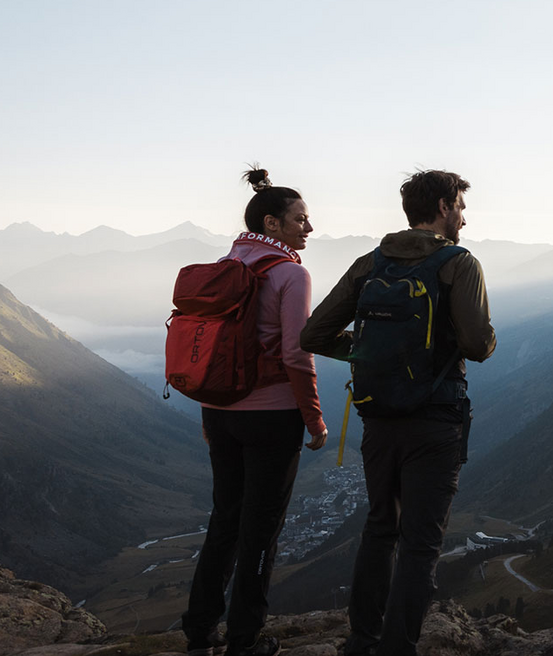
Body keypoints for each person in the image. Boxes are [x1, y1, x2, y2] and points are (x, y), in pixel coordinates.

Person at [301, 169, 495, 656]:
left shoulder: (370, 264)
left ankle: (362, 640)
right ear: (445, 207)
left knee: (380, 527)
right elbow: (476, 344)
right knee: (421, 542)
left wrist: (372, 352)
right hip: (435, 419)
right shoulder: (460, 263)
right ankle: (398, 647)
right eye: (461, 207)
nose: (465, 218)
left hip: (379, 418)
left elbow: (313, 335)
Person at [182, 168, 328, 656]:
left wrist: (212, 410)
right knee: (261, 530)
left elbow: (209, 344)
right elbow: (295, 354)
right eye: (301, 219)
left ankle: (199, 631)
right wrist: (314, 418)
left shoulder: (227, 264)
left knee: (225, 517)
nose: (309, 228)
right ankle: (244, 640)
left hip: (219, 410)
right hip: (271, 416)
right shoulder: (291, 273)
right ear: (273, 222)